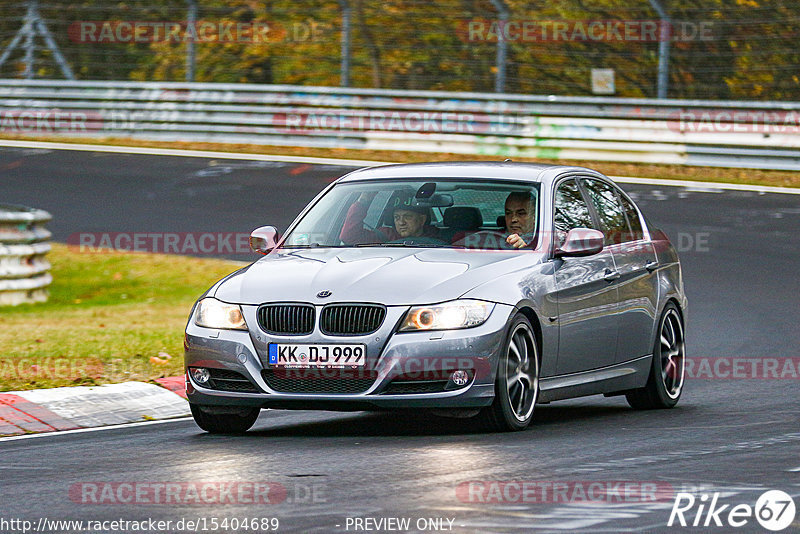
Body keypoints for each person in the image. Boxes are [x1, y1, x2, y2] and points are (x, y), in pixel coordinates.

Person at [340, 191, 440, 244]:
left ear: (422, 220)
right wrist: (364, 200)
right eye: (397, 217)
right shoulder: (385, 236)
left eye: (407, 217)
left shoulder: (441, 238)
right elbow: (349, 236)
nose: (401, 222)